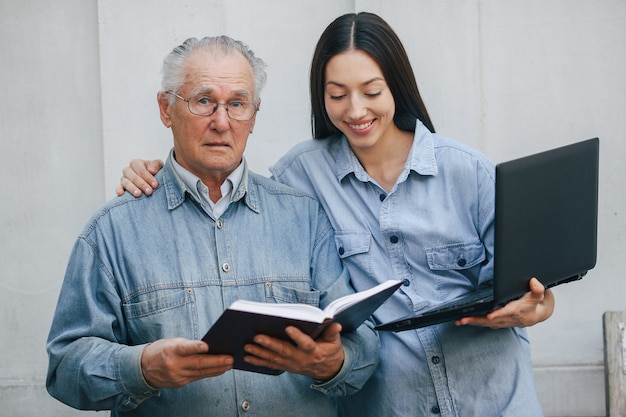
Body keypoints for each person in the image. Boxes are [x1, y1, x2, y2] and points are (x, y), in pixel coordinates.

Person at [118, 13, 555, 417]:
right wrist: (158, 170)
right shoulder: (302, 174)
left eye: (372, 91)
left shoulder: (469, 171)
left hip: (496, 401)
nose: (356, 110)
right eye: (337, 95)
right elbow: (227, 185)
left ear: (396, 87)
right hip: (391, 405)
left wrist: (538, 305)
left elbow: (532, 288)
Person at [46, 35, 380, 417]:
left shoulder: (304, 217)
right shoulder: (112, 230)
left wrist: (333, 363)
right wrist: (141, 369)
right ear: (165, 108)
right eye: (204, 101)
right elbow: (64, 369)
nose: (221, 122)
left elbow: (364, 346)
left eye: (237, 104)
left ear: (253, 116)